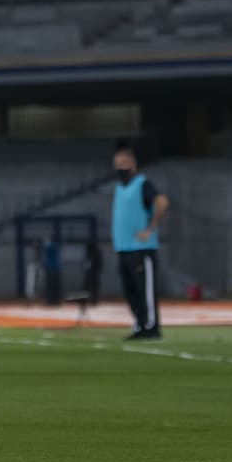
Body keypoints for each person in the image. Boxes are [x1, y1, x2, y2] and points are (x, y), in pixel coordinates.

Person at [112, 141, 169, 340]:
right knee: (130, 291)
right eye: (118, 164)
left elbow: (162, 202)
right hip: (123, 248)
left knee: (145, 290)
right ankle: (139, 324)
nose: (121, 168)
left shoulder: (143, 184)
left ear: (133, 164)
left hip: (141, 248)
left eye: (124, 163)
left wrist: (150, 228)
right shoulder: (119, 188)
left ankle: (151, 327)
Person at [83, 238, 103, 306]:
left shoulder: (95, 252)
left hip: (94, 273)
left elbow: (98, 263)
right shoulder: (89, 252)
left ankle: (94, 300)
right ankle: (89, 300)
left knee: (94, 287)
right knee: (89, 287)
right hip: (91, 273)